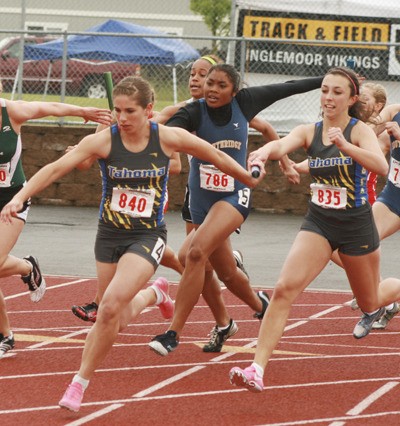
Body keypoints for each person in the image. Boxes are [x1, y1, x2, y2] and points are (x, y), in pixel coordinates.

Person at [0, 76, 263, 411]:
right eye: (118, 110)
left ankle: (78, 383)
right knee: (114, 318)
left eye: (130, 111)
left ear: (148, 111)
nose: (122, 118)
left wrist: (247, 178)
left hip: (147, 235)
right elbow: (55, 169)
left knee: (108, 307)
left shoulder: (167, 138)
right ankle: (156, 294)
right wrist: (21, 196)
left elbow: (215, 155)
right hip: (109, 234)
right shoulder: (105, 141)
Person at [228, 66, 400, 393]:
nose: (329, 97)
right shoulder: (310, 130)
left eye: (337, 92)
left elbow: (379, 164)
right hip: (319, 222)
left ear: (351, 99)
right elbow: (285, 144)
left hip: (356, 226)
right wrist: (265, 153)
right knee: (284, 289)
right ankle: (256, 369)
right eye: (324, 90)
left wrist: (347, 147)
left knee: (370, 300)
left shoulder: (359, 131)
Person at [148, 64, 324, 357]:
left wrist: (326, 78)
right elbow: (164, 135)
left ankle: (172, 333)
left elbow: (289, 86)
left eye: (220, 85)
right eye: (209, 83)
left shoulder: (245, 102)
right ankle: (261, 307)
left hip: (234, 195)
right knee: (226, 273)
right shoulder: (193, 112)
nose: (212, 90)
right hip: (201, 202)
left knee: (193, 254)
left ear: (234, 90)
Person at [0, 80, 112, 358]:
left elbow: (50, 107)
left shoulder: (11, 111)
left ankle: (6, 331)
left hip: (13, 200)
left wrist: (82, 112)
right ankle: (26, 270)